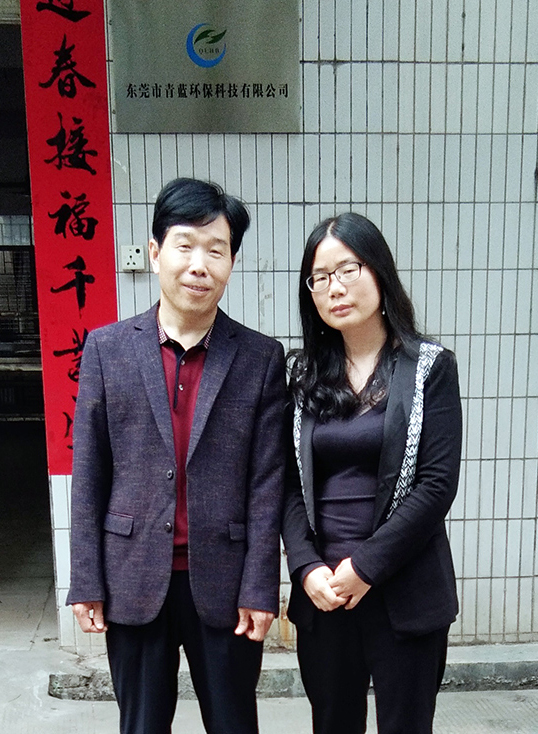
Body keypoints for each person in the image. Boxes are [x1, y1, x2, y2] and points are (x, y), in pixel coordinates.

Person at [66, 177, 286, 734]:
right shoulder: (107, 348)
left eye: (217, 250)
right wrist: (86, 578)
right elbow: (89, 473)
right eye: (185, 245)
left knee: (234, 723)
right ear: (156, 251)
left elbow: (267, 483)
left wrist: (261, 586)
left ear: (232, 262)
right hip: (132, 576)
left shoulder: (260, 357)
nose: (199, 265)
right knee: (141, 725)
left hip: (225, 582)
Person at [282, 212, 462, 734]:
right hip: (324, 595)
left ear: (379, 272)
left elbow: (436, 485)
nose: (334, 288)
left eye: (348, 269)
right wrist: (306, 567)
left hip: (403, 591)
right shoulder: (303, 376)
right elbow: (287, 484)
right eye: (320, 277)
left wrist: (364, 567)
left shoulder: (429, 367)